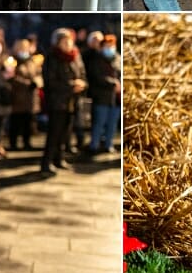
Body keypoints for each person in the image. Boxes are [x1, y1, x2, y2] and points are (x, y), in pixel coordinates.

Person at [40, 28, 86, 175]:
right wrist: (72, 85)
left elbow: (83, 74)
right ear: (58, 42)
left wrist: (82, 84)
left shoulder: (75, 56)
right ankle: (46, 162)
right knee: (54, 133)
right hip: (57, 102)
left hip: (72, 102)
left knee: (65, 133)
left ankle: (59, 159)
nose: (68, 44)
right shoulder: (52, 57)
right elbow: (51, 82)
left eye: (70, 41)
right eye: (65, 41)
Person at [85, 34, 120, 154]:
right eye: (106, 46)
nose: (109, 48)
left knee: (112, 123)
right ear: (102, 47)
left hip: (116, 98)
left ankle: (108, 144)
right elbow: (97, 77)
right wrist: (113, 83)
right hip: (101, 96)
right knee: (99, 122)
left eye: (111, 46)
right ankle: (94, 145)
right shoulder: (96, 60)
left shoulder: (118, 59)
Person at [8, 38, 42, 151]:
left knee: (29, 121)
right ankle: (13, 143)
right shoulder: (13, 60)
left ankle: (27, 142)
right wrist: (27, 84)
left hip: (31, 97)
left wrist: (36, 82)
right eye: (22, 48)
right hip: (18, 96)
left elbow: (38, 74)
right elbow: (12, 77)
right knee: (16, 122)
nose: (24, 50)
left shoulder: (31, 61)